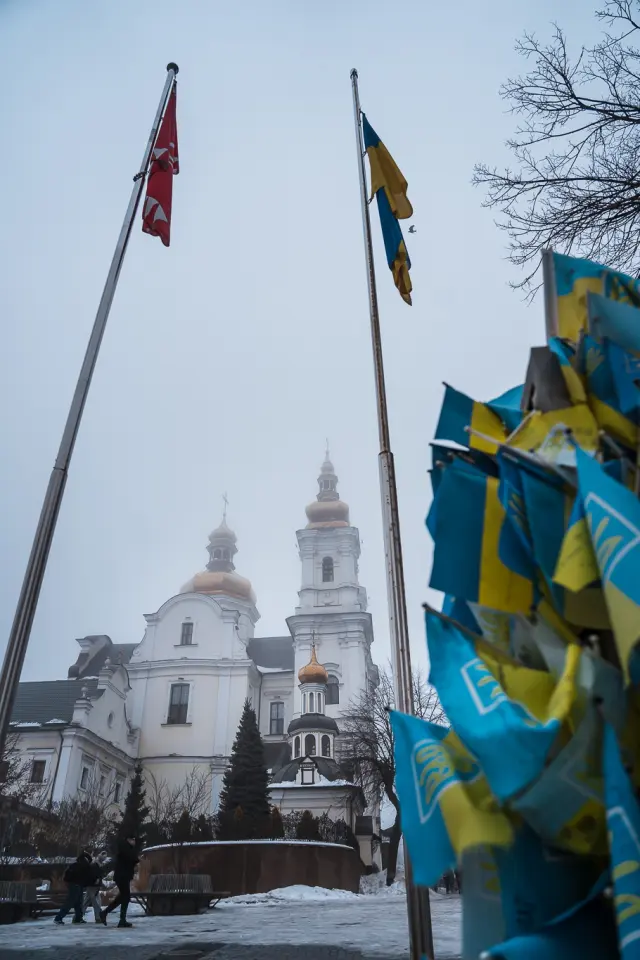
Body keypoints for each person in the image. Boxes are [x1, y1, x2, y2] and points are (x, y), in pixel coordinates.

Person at [100, 834, 139, 928]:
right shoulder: (125, 848)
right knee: (125, 897)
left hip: (123, 876)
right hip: (122, 876)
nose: (134, 841)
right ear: (128, 840)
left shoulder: (126, 848)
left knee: (123, 897)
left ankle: (106, 913)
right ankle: (120, 919)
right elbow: (132, 858)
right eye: (133, 839)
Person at [54, 850, 93, 925]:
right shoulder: (85, 866)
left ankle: (78, 918)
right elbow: (88, 876)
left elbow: (66, 876)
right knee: (72, 902)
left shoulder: (74, 865)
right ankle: (59, 918)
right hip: (78, 885)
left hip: (73, 885)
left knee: (77, 902)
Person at [83, 850, 109, 922]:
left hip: (93, 885)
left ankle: (78, 916)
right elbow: (94, 874)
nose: (104, 857)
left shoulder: (98, 864)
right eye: (103, 854)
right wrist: (96, 880)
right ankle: (98, 917)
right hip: (93, 885)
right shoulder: (95, 864)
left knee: (87, 902)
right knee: (96, 902)